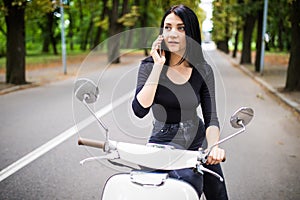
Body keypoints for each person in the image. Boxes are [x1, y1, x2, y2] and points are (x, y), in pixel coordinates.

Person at [132, 4, 228, 200]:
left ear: (190, 32)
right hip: (163, 140)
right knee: (169, 189)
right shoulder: (149, 66)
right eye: (168, 27)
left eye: (180, 27)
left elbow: (211, 118)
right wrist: (158, 67)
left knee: (218, 191)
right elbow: (140, 109)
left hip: (198, 140)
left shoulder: (203, 69)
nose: (172, 33)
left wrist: (213, 147)